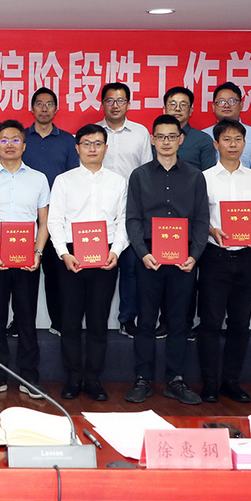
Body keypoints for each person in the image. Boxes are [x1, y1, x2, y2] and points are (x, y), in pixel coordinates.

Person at [124, 114, 209, 406]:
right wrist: (142, 253)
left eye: (172, 136)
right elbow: (133, 219)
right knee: (146, 321)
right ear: (152, 140)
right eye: (160, 136)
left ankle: (176, 380)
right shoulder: (139, 176)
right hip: (149, 257)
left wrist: (194, 256)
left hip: (184, 258)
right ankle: (142, 379)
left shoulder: (195, 176)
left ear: (181, 139)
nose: (166, 142)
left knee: (179, 321)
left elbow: (202, 219)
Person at [0, 119, 51, 398]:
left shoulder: (39, 179)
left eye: (16, 139)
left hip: (28, 255)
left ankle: (29, 377)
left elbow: (44, 221)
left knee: (26, 317)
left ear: (24, 145)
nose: (10, 145)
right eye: (4, 140)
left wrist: (38, 253)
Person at [47, 124, 128, 402]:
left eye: (97, 143)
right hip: (71, 255)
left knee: (98, 320)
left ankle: (93, 378)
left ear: (106, 147)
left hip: (105, 255)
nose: (92, 148)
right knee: (69, 320)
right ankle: (72, 377)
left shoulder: (118, 181)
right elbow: (55, 220)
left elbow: (123, 221)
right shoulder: (64, 181)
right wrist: (63, 253)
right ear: (77, 148)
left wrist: (115, 251)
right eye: (86, 143)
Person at [196, 120, 251, 404]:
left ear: (245, 144)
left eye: (238, 139)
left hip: (248, 258)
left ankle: (231, 381)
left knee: (240, 323)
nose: (233, 144)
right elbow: (198, 219)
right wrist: (211, 230)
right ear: (216, 144)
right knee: (211, 322)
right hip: (215, 257)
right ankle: (209, 382)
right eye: (227, 139)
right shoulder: (203, 178)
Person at [20, 87, 78, 337]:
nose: (44, 108)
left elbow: (73, 179)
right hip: (23, 217)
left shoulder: (67, 140)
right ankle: (20, 322)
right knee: (22, 273)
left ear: (56, 109)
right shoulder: (20, 138)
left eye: (49, 104)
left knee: (56, 273)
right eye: (39, 104)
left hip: (56, 217)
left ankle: (59, 321)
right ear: (31, 108)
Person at [96, 82, 150, 338]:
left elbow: (147, 171)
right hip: (99, 211)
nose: (115, 105)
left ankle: (127, 318)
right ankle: (96, 320)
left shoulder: (140, 133)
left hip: (131, 209)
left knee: (130, 268)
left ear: (128, 103)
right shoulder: (94, 134)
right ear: (102, 104)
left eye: (120, 100)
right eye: (110, 100)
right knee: (99, 267)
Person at [200, 82, 251, 173]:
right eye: (221, 102)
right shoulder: (203, 135)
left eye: (232, 101)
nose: (226, 105)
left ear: (241, 105)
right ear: (214, 107)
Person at [162, 86, 216, 171]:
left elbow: (209, 174)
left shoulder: (203, 140)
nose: (177, 109)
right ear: (164, 110)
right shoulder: (156, 139)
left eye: (183, 105)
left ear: (190, 111)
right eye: (172, 104)